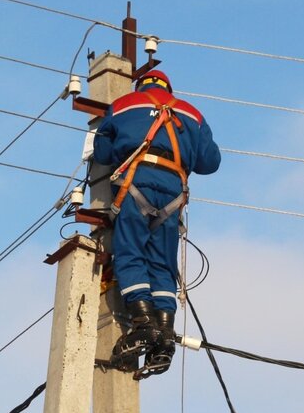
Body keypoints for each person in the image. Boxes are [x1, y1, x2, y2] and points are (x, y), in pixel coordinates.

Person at [92, 70, 221, 378]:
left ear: (141, 86)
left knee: (129, 253)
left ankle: (142, 323)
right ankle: (164, 334)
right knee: (162, 264)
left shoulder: (124, 105)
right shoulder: (192, 114)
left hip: (136, 183)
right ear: (169, 88)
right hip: (173, 193)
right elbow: (211, 162)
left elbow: (102, 152)